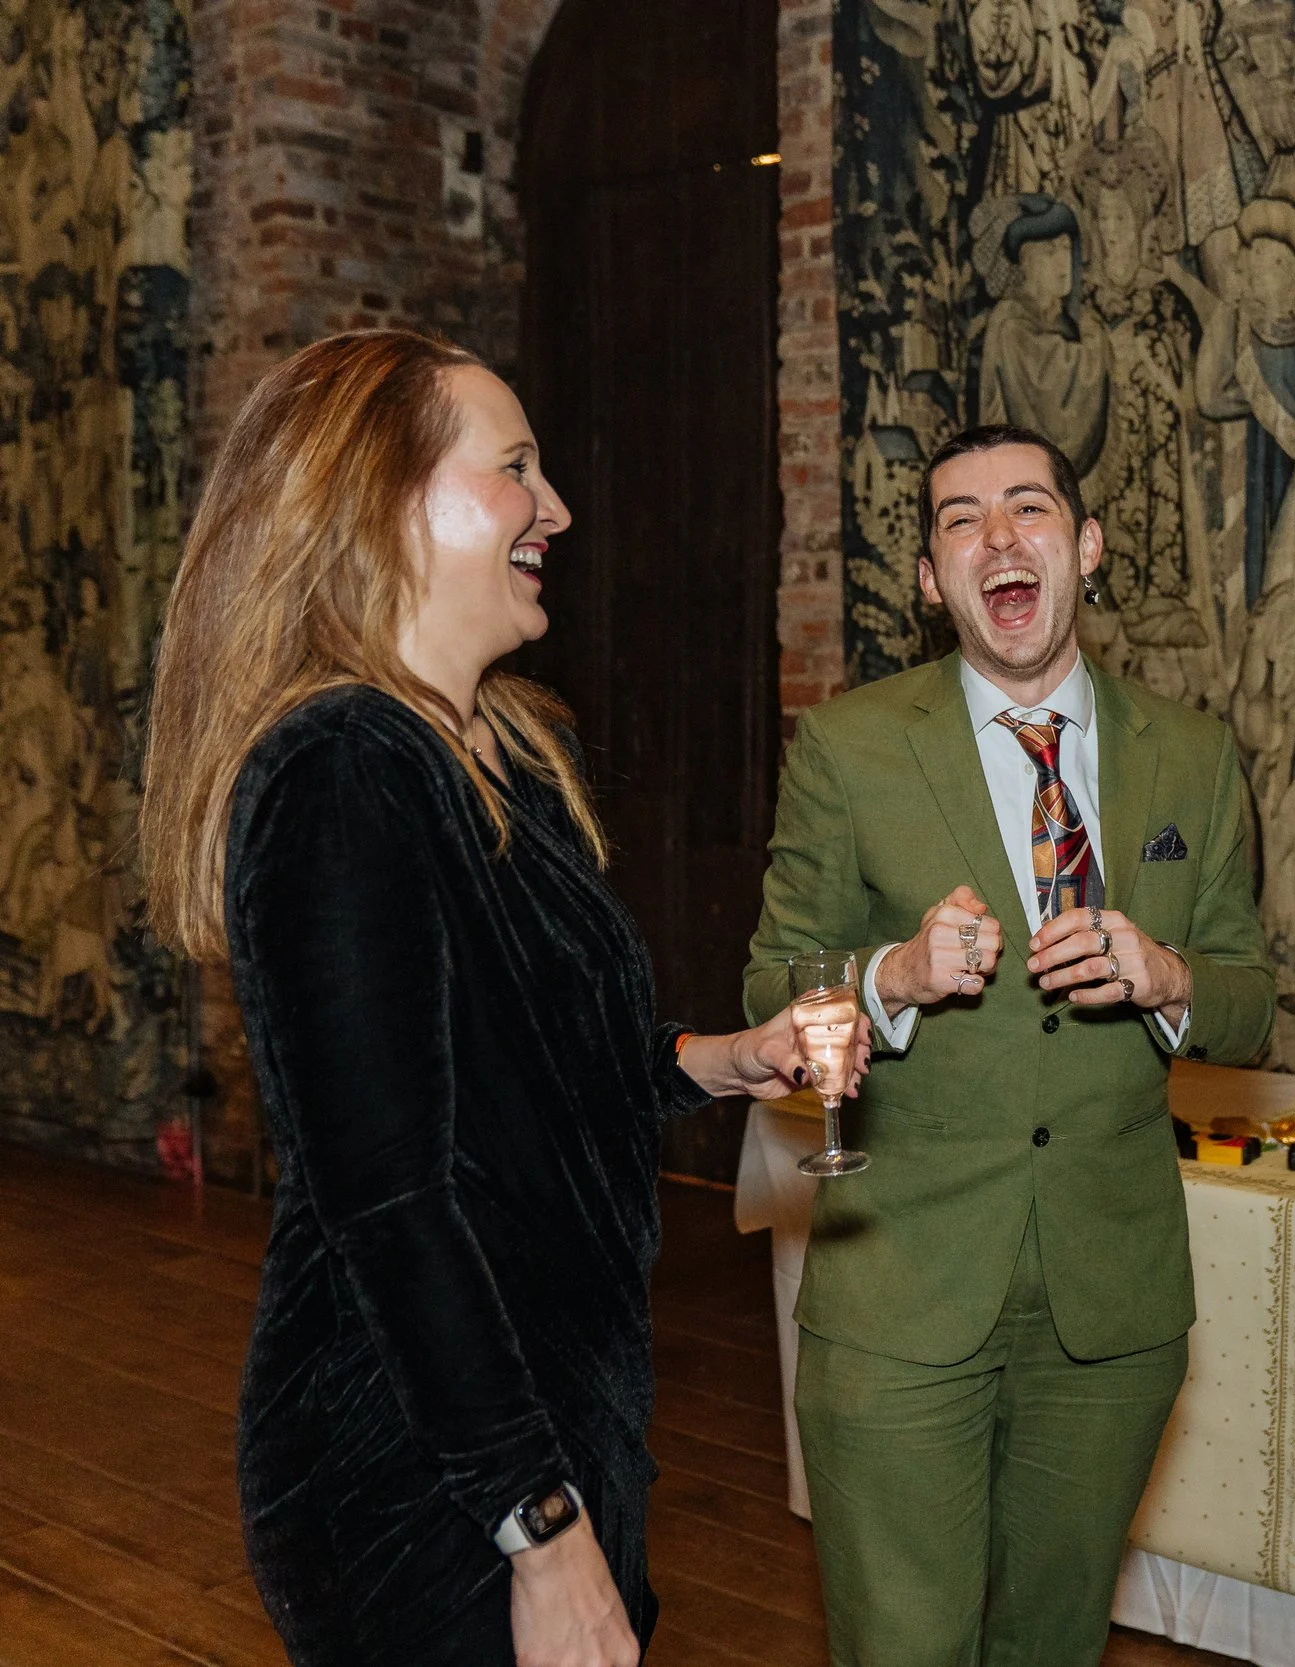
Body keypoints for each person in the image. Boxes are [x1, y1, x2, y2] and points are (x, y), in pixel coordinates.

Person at [136, 331, 857, 1667]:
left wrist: (720, 1057)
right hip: (419, 1457)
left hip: (559, 1400)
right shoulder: (342, 764)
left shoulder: (516, 748)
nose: (558, 508)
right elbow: (390, 1199)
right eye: (517, 467)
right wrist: (538, 1520)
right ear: (382, 494)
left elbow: (535, 1068)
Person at [743, 422, 1274, 1667]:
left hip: (1111, 1301)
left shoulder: (1190, 755)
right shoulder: (850, 747)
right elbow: (774, 985)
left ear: (1082, 546)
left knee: (1052, 1643)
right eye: (959, 520)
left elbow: (1249, 1000)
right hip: (903, 1293)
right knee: (904, 1646)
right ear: (933, 580)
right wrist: (893, 976)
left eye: (1029, 508)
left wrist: (1166, 974)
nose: (999, 538)